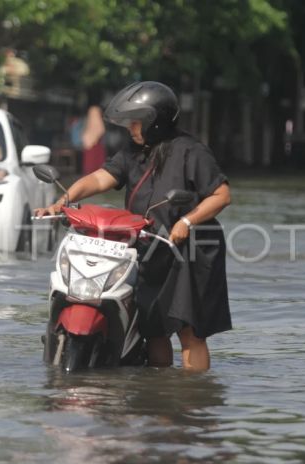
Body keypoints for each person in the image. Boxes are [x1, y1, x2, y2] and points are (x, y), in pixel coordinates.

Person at [36, 81, 232, 371]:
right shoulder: (133, 152)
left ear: (155, 121)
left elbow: (222, 195)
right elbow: (99, 179)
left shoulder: (191, 152)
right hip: (148, 247)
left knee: (189, 333)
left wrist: (187, 221)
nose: (130, 128)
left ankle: (192, 400)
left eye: (135, 122)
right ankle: (156, 398)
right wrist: (62, 202)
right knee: (153, 328)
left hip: (190, 251)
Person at [81, 103, 106, 174]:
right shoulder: (95, 123)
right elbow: (101, 130)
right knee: (94, 165)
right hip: (96, 146)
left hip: (91, 146)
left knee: (90, 165)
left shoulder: (87, 126)